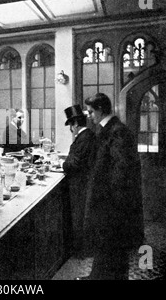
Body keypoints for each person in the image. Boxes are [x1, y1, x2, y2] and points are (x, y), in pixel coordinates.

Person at [77, 93, 144, 280]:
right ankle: (97, 276)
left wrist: (111, 202)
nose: (88, 116)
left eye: (90, 112)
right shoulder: (106, 129)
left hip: (112, 203)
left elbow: (122, 171)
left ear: (100, 110)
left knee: (112, 247)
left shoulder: (117, 131)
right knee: (105, 245)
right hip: (106, 201)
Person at [62, 104, 96, 258]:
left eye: (70, 125)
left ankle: (79, 252)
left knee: (79, 217)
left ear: (75, 123)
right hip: (84, 184)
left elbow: (74, 163)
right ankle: (82, 249)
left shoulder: (83, 138)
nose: (71, 128)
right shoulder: (88, 136)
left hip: (79, 185)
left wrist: (63, 163)